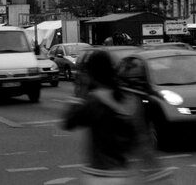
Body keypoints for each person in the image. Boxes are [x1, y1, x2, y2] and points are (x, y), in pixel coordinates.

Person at [62, 50, 172, 184]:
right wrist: (158, 173)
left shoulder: (94, 101)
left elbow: (69, 122)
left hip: (97, 176)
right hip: (122, 176)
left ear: (91, 74)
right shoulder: (129, 100)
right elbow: (142, 141)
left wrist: (80, 92)